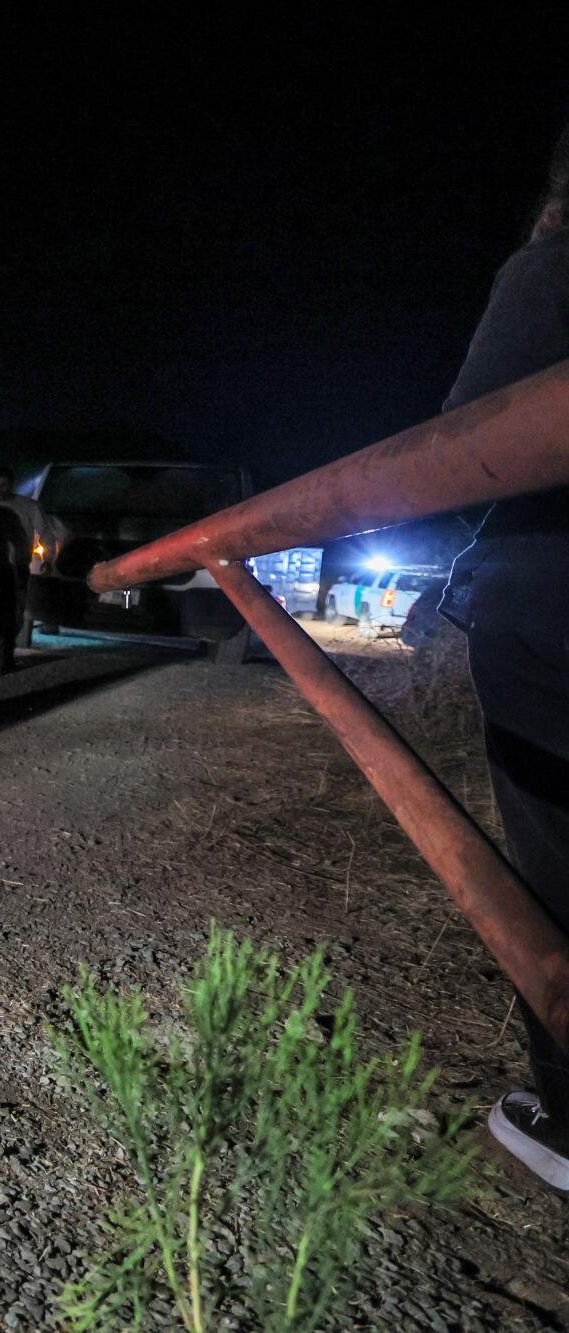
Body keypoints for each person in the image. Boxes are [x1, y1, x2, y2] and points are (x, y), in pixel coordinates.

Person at [437, 123, 569, 1192]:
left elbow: (466, 437)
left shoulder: (554, 265)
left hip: (550, 607)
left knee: (553, 849)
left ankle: (564, 1114)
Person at [0, 467, 42, 674]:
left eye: (2, 485)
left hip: (16, 569)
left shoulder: (27, 506)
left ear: (11, 484)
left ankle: (4, 654)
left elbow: (46, 533)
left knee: (12, 612)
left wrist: (47, 558)